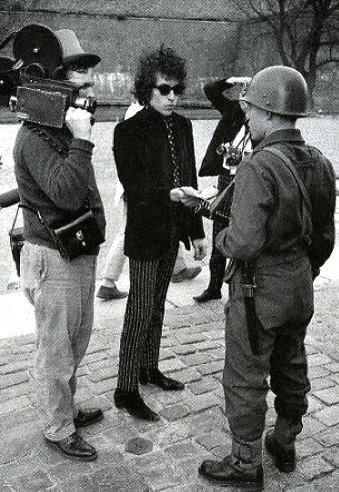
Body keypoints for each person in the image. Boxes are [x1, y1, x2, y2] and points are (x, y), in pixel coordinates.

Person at [196, 66, 336, 489]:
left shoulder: (258, 166)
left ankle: (244, 463)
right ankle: (286, 441)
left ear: (272, 113)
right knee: (292, 365)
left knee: (244, 376)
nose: (247, 116)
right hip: (299, 286)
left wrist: (220, 237)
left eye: (252, 109)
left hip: (259, 290)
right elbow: (325, 238)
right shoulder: (322, 163)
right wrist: (303, 270)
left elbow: (243, 243)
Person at [14, 28, 106, 461]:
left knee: (76, 339)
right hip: (52, 255)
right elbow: (67, 193)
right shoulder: (34, 136)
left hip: (76, 249)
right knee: (56, 349)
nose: (87, 83)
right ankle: (57, 427)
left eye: (89, 73)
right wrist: (83, 138)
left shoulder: (60, 128)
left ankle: (65, 408)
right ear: (51, 79)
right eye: (78, 73)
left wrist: (77, 133)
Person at [113, 46, 206, 421]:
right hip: (146, 231)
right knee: (139, 307)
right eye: (163, 90)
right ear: (146, 91)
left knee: (158, 304)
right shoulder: (128, 130)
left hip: (172, 232)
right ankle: (125, 388)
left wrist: (197, 231)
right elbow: (131, 187)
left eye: (176, 90)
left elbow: (191, 180)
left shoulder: (182, 126)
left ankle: (149, 368)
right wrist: (166, 195)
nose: (171, 97)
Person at [96, 100, 201, 300]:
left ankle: (178, 269)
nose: (171, 98)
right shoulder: (138, 115)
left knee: (165, 225)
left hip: (155, 193)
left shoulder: (148, 112)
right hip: (140, 192)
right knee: (126, 231)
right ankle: (108, 280)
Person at [193, 76, 252, 303]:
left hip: (248, 181)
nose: (243, 101)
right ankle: (213, 287)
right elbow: (210, 90)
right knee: (219, 233)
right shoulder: (233, 112)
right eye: (242, 96)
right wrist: (233, 80)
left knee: (243, 236)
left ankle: (239, 290)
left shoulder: (263, 122)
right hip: (227, 178)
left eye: (248, 98)